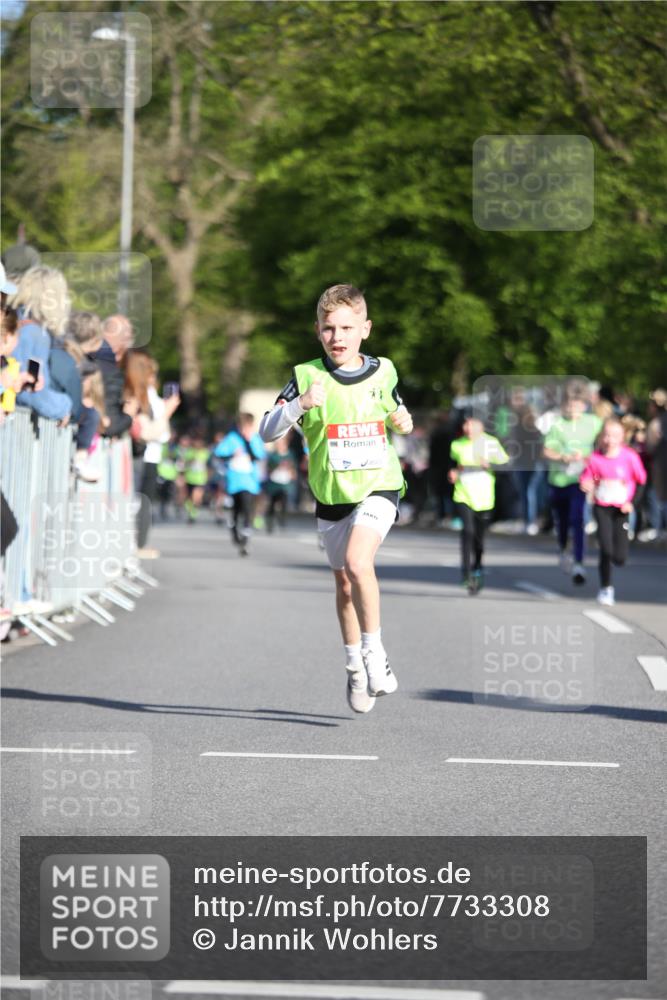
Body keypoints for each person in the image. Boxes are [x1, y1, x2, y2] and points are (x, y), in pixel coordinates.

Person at [259, 283, 413, 715]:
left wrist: (404, 420)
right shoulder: (306, 376)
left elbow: (398, 413)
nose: (337, 337)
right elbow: (267, 431)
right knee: (344, 585)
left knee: (359, 563)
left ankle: (374, 653)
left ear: (365, 328)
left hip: (379, 484)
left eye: (347, 327)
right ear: (317, 331)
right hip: (332, 495)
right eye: (329, 329)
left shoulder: (385, 370)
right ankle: (354, 667)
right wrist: (299, 405)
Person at [580, 418, 647, 605]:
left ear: (622, 437)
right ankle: (606, 588)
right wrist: (586, 484)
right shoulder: (594, 458)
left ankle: (616, 563)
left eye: (614, 436)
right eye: (606, 435)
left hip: (621, 510)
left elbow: (641, 481)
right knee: (606, 549)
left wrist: (632, 502)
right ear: (601, 437)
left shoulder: (629, 456)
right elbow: (588, 477)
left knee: (620, 558)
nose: (610, 440)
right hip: (602, 507)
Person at [543, 383, 602, 585]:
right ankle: (562, 547)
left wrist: (587, 457)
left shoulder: (594, 423)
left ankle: (578, 563)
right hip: (559, 480)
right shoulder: (557, 424)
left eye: (576, 405)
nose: (571, 409)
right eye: (568, 405)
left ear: (584, 406)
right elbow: (546, 451)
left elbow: (604, 446)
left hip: (581, 481)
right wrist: (563, 457)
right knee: (562, 520)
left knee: (578, 519)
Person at [448, 415, 509, 594]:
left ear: (480, 427)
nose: (467, 428)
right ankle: (466, 573)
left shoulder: (491, 443)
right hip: (463, 494)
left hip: (484, 497)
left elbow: (506, 465)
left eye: (471, 424)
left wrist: (490, 464)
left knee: (479, 539)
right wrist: (452, 473)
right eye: (465, 424)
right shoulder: (456, 444)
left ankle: (477, 567)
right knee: (467, 532)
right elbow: (453, 466)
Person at [215, 414, 266, 554]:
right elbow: (219, 453)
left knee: (247, 506)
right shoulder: (231, 438)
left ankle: (246, 536)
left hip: (249, 480)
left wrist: (248, 443)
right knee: (236, 509)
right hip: (234, 479)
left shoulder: (255, 439)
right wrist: (232, 455)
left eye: (247, 426)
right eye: (242, 426)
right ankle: (234, 530)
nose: (245, 429)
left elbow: (259, 456)